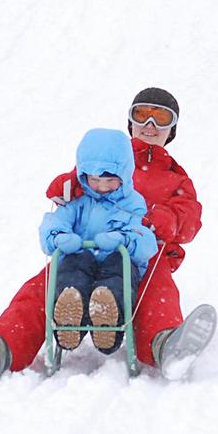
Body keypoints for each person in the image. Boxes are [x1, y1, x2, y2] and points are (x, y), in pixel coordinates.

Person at [0, 86, 216, 382]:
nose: (150, 125)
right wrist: (66, 187)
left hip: (138, 255)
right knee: (44, 285)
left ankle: (167, 346)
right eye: (142, 115)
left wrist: (159, 219)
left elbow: (190, 219)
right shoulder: (105, 159)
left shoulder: (175, 178)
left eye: (161, 118)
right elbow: (74, 181)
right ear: (130, 122)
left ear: (172, 130)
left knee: (157, 291)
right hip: (84, 248)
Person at [38, 128, 157, 354]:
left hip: (116, 261)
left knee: (116, 274)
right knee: (73, 268)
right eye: (94, 180)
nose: (102, 187)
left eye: (110, 180)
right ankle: (69, 317)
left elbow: (146, 239)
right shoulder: (78, 200)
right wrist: (59, 237)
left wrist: (123, 239)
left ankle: (108, 318)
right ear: (83, 176)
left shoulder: (132, 203)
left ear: (124, 175)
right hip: (82, 258)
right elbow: (54, 222)